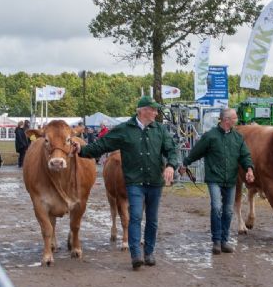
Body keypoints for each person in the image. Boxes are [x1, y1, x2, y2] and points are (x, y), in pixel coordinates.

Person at [74, 96, 177, 271]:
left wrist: (171, 165)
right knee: (135, 216)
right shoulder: (124, 129)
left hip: (154, 182)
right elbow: (102, 145)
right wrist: (82, 150)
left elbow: (171, 150)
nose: (156, 113)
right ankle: (136, 254)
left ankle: (149, 253)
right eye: (153, 109)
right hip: (134, 181)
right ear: (142, 110)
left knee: (152, 219)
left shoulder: (159, 130)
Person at [179, 108, 255, 255]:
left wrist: (249, 169)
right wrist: (185, 163)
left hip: (231, 179)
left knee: (227, 210)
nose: (236, 120)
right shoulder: (210, 136)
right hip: (214, 178)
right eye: (234, 117)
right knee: (216, 207)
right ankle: (216, 241)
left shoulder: (237, 138)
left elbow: (245, 155)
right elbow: (197, 151)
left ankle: (224, 241)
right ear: (226, 120)